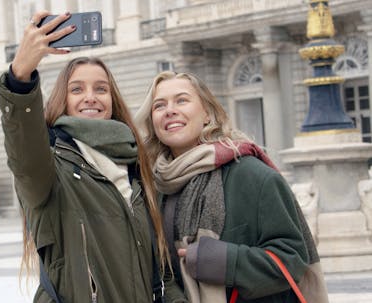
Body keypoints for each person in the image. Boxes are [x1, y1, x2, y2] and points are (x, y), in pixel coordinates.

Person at [0, 11, 186, 302]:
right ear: (63, 100)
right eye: (77, 89)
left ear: (113, 101)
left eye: (101, 89)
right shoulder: (51, 168)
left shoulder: (136, 168)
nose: (91, 97)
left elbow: (160, 269)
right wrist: (19, 79)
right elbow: (24, 151)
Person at [135, 71, 329, 302]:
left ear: (207, 113)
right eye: (159, 105)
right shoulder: (155, 187)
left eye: (182, 100)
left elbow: (293, 259)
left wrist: (225, 261)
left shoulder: (251, 175)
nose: (170, 110)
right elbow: (163, 269)